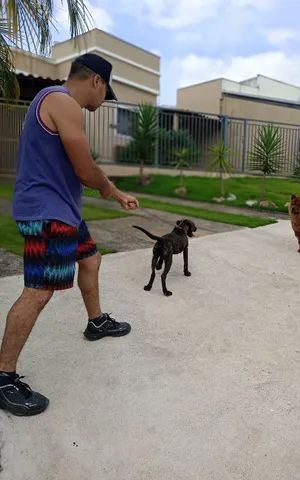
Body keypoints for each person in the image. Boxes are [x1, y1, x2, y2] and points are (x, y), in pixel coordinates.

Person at [0, 53, 139, 416]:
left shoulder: (51, 101)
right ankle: (3, 377)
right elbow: (84, 168)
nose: (101, 101)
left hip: (63, 212)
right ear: (95, 81)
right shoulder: (63, 101)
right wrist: (115, 191)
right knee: (39, 291)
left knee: (91, 258)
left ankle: (96, 323)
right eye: (104, 92)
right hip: (47, 214)